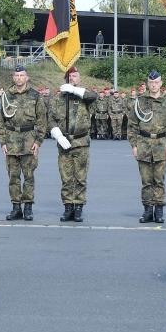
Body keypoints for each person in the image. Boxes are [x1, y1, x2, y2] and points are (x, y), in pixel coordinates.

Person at [0, 66, 47, 221]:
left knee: (29, 176)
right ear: (13, 77)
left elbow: (42, 120)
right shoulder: (6, 96)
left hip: (29, 140)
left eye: (22, 75)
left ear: (27, 77)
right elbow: (0, 120)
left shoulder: (35, 95)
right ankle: (16, 207)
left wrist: (38, 141)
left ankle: (28, 207)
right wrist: (2, 141)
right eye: (16, 75)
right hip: (11, 140)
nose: (19, 78)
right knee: (13, 176)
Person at [48, 66, 98, 223]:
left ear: (80, 78)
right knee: (66, 177)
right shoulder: (58, 99)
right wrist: (57, 134)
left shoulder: (85, 97)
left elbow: (93, 96)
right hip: (64, 143)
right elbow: (51, 119)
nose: (72, 78)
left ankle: (78, 208)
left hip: (81, 142)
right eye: (70, 76)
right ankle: (68, 207)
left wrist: (75, 90)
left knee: (80, 177)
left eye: (75, 76)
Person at [128, 70, 166, 224]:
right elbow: (132, 125)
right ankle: (148, 210)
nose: (154, 85)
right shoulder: (140, 101)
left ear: (161, 84)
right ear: (148, 84)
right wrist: (134, 145)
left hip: (162, 145)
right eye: (151, 82)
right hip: (143, 144)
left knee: (159, 180)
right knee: (146, 180)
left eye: (157, 82)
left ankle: (159, 210)